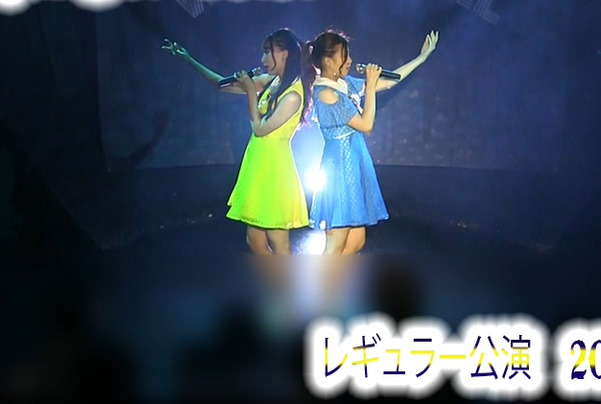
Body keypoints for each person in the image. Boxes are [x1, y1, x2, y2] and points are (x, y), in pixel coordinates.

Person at [162, 29, 314, 255]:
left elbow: (259, 129)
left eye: (268, 52)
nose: (262, 59)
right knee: (254, 240)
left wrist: (251, 90)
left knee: (278, 241)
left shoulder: (293, 95)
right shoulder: (273, 81)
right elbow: (220, 84)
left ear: (285, 54)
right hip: (258, 164)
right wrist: (188, 59)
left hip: (274, 170)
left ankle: (286, 278)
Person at [306, 29, 438, 254]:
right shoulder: (326, 93)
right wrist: (370, 85)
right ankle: (322, 278)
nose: (350, 60)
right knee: (336, 243)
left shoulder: (344, 84)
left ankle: (333, 276)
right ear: (328, 60)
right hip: (339, 170)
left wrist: (421, 57)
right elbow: (366, 125)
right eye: (345, 55)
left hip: (352, 165)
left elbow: (388, 81)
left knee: (356, 241)